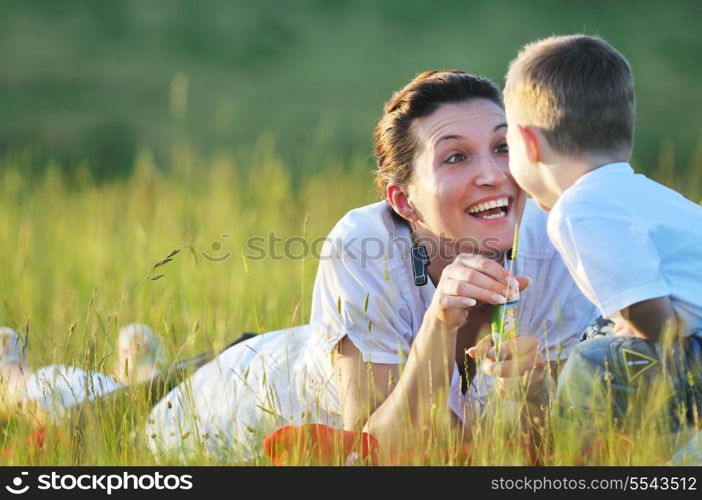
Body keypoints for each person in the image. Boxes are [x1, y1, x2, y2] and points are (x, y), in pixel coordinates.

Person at [145, 70, 598, 464]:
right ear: (405, 201)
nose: (493, 174)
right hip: (229, 407)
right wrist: (439, 321)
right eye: (456, 157)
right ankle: (150, 371)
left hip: (302, 344)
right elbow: (377, 451)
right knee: (104, 408)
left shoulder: (555, 237)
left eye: (503, 147)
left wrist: (536, 391)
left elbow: (550, 450)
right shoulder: (364, 242)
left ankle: (151, 362)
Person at [502, 35, 702, 426]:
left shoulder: (578, 211)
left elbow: (656, 321)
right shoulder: (644, 194)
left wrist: (628, 330)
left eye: (505, 142)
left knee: (594, 361)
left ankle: (587, 465)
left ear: (528, 144)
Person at [0, 323, 166, 425]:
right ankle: (146, 378)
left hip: (84, 394)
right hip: (78, 405)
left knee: (37, 387)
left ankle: (9, 374)